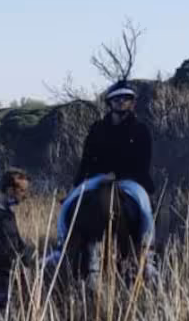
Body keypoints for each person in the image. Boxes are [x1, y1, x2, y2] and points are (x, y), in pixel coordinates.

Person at [50, 81, 155, 257]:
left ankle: (147, 252)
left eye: (125, 98)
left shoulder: (140, 130)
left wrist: (118, 175)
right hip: (97, 177)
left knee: (145, 209)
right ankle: (62, 247)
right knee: (67, 206)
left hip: (129, 180)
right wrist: (77, 184)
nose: (121, 102)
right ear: (110, 103)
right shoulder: (97, 128)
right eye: (116, 99)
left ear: (132, 102)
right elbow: (86, 159)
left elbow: (143, 162)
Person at [0, 169, 32, 311]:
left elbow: (15, 241)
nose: (25, 196)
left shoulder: (5, 212)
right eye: (22, 191)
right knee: (1, 314)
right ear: (9, 190)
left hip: (8, 276)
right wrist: (14, 262)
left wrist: (26, 258)